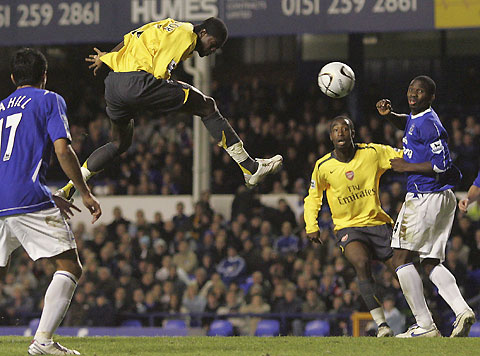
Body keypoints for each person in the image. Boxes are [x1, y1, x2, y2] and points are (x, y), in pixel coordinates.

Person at [56, 17, 282, 200]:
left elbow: (130, 39)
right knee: (207, 106)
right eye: (213, 44)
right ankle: (250, 168)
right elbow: (161, 73)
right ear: (202, 33)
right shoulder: (186, 36)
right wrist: (157, 96)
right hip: (138, 83)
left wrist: (105, 57)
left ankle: (68, 188)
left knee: (119, 143)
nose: (212, 50)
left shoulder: (165, 24)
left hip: (113, 85)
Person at [0, 48, 102, 355]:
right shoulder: (49, 99)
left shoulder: (1, 107)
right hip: (26, 194)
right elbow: (62, 149)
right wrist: (83, 191)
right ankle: (43, 341)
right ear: (44, 76)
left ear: (13, 77)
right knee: (69, 265)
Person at [376, 75, 475, 337]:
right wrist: (390, 116)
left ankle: (425, 325)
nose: (413, 94)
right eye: (411, 89)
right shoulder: (418, 118)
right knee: (430, 262)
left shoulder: (430, 123)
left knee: (399, 257)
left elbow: (442, 163)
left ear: (431, 97)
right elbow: (410, 124)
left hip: (424, 196)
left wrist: (405, 166)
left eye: (420, 92)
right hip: (440, 199)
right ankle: (462, 310)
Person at [304, 115, 403, 337]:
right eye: (336, 129)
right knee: (360, 261)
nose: (340, 132)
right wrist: (311, 224)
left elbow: (400, 158)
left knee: (402, 271)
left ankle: (426, 319)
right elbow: (313, 197)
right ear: (330, 136)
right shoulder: (323, 166)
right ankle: (382, 325)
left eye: (345, 129)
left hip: (378, 223)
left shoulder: (372, 153)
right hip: (348, 227)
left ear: (353, 133)